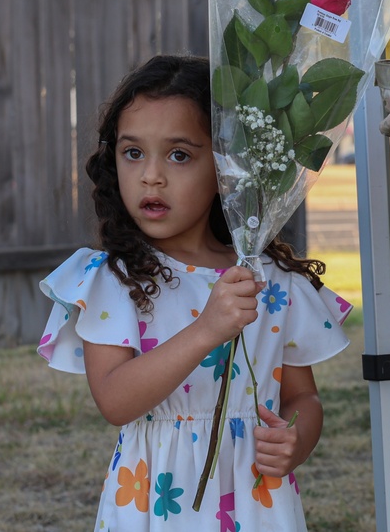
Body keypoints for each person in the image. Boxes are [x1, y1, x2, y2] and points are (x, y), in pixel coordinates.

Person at [36, 55, 351, 530]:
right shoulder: (113, 279)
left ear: (227, 167)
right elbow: (115, 401)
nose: (151, 175)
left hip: (255, 499)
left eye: (179, 154)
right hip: (153, 502)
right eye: (133, 152)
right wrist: (206, 329)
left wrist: (296, 438)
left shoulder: (268, 281)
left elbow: (302, 398)